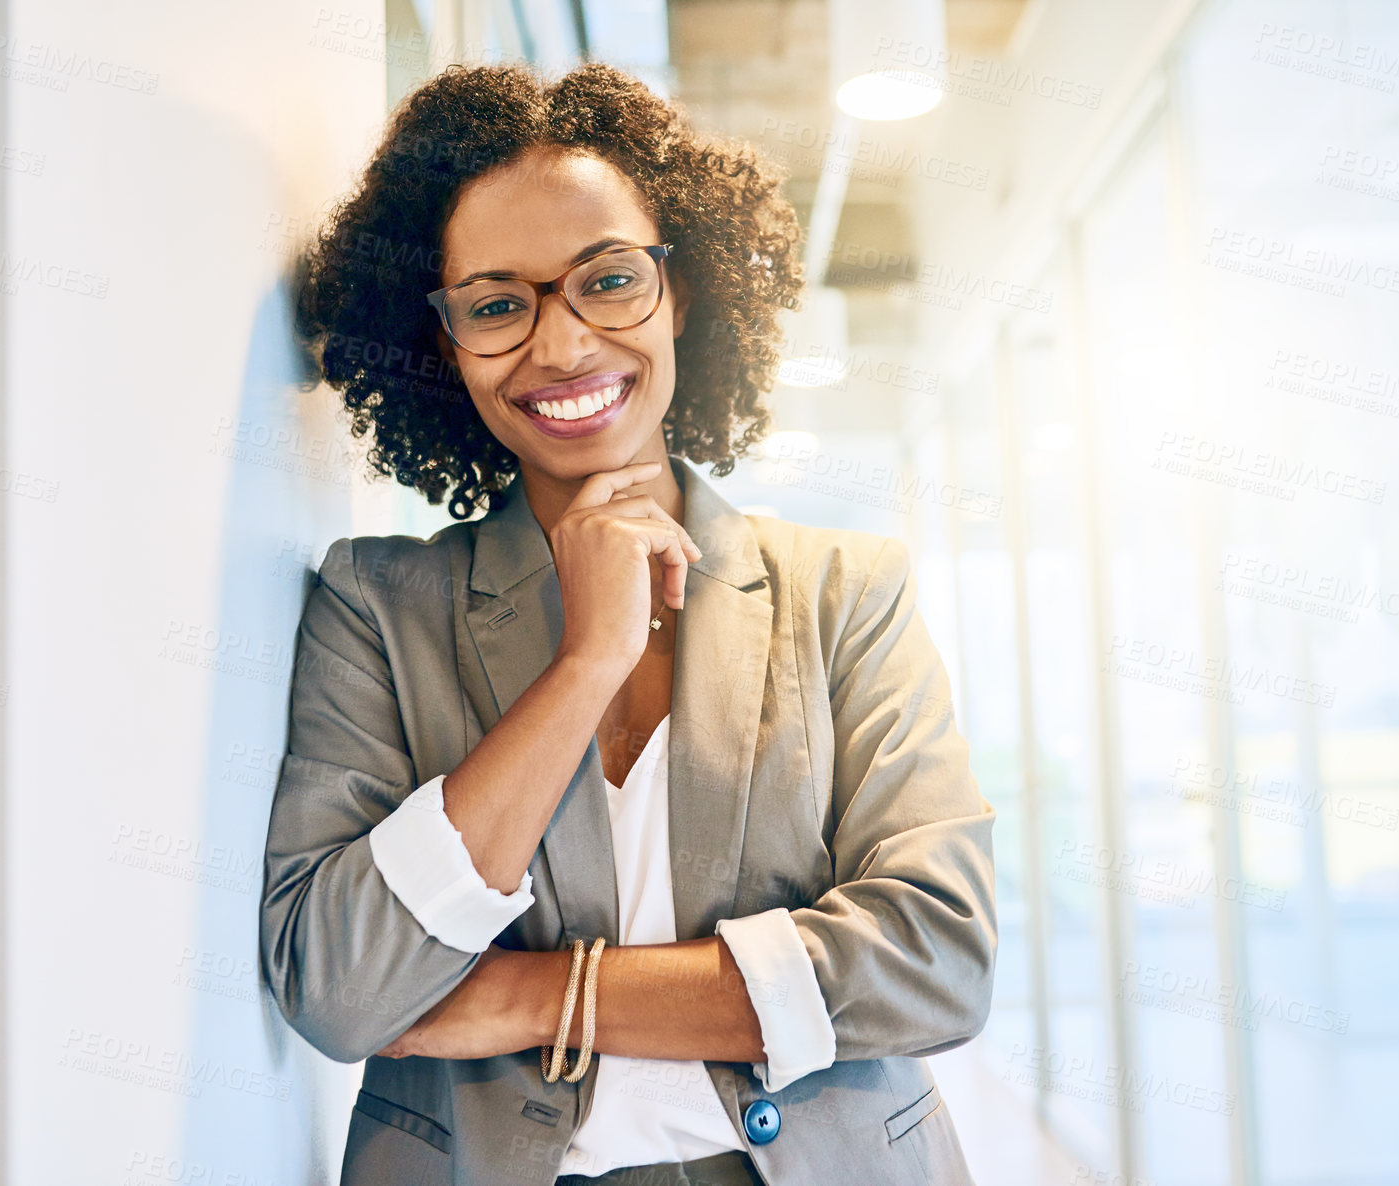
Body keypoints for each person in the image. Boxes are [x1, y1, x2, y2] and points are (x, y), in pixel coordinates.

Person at [259, 58, 996, 1186]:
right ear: (445, 345)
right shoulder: (377, 607)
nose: (560, 347)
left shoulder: (846, 592)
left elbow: (935, 962)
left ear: (681, 290)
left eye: (607, 281)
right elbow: (344, 987)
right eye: (497, 304)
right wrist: (587, 659)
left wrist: (530, 995)